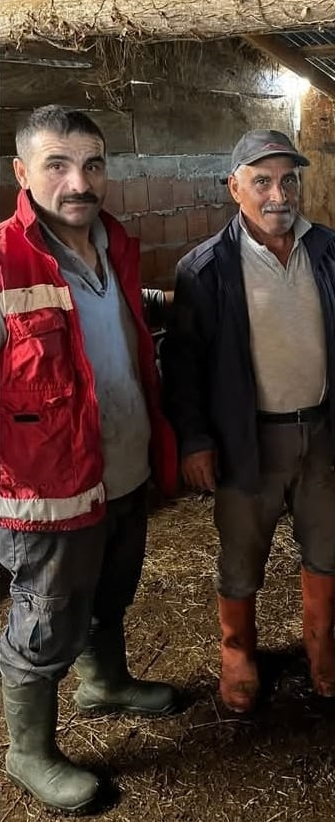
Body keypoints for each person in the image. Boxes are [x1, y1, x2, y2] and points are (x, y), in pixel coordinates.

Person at [161, 129, 335, 714]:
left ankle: (319, 642)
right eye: (262, 181)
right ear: (234, 187)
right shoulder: (206, 268)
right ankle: (238, 651)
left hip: (322, 431)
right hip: (247, 439)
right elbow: (183, 364)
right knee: (241, 553)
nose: (278, 194)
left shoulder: (329, 250)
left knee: (325, 542)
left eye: (288, 180)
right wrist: (195, 440)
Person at [0, 106, 179, 814]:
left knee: (111, 593)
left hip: (125, 469)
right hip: (50, 491)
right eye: (58, 165)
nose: (80, 182)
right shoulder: (6, 261)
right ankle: (29, 753)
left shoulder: (115, 244)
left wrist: (175, 300)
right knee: (45, 620)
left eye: (93, 164)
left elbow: (114, 314)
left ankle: (104, 683)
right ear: (22, 173)